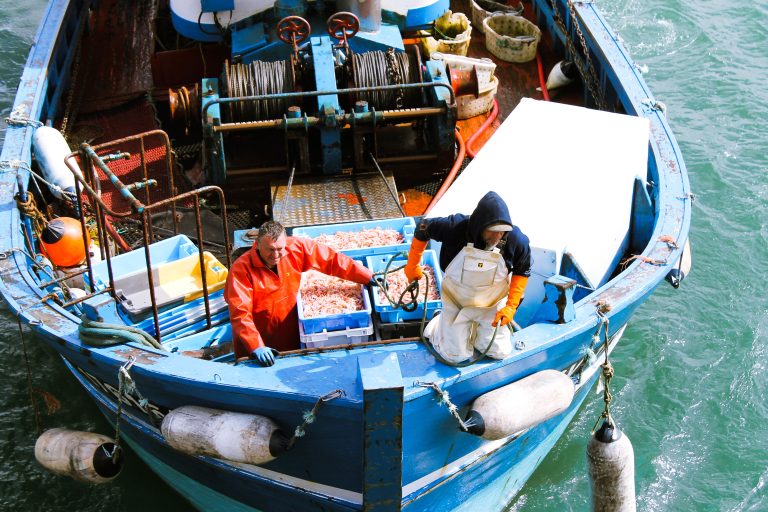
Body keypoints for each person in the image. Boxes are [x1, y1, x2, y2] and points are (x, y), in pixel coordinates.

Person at [225, 220, 378, 366]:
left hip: (292, 329)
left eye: (280, 249)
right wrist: (255, 346)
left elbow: (331, 260)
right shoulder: (240, 270)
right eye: (270, 249)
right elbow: (240, 313)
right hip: (260, 338)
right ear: (257, 245)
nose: (276, 255)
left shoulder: (296, 247)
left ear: (286, 242)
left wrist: (365, 275)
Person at [404, 191, 531, 363]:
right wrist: (412, 265)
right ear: (480, 226)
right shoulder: (455, 226)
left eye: (502, 232)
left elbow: (522, 270)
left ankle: (476, 336)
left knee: (499, 352)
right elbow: (423, 227)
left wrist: (511, 307)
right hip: (457, 298)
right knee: (454, 356)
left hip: (492, 303)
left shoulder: (517, 239)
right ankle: (436, 326)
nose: (497, 237)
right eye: (492, 232)